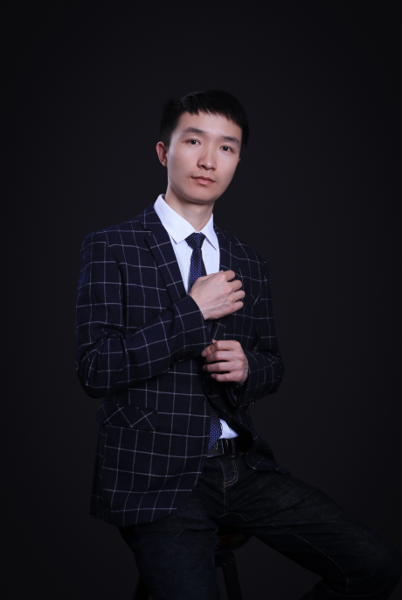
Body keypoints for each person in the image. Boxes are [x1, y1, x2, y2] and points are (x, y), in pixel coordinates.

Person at [75, 90, 401, 599]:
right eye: (194, 141)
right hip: (155, 477)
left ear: (237, 161)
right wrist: (192, 312)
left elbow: (273, 364)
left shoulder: (248, 261)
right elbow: (96, 369)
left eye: (226, 147)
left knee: (375, 565)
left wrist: (248, 367)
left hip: (241, 468)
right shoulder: (110, 246)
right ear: (164, 152)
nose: (209, 160)